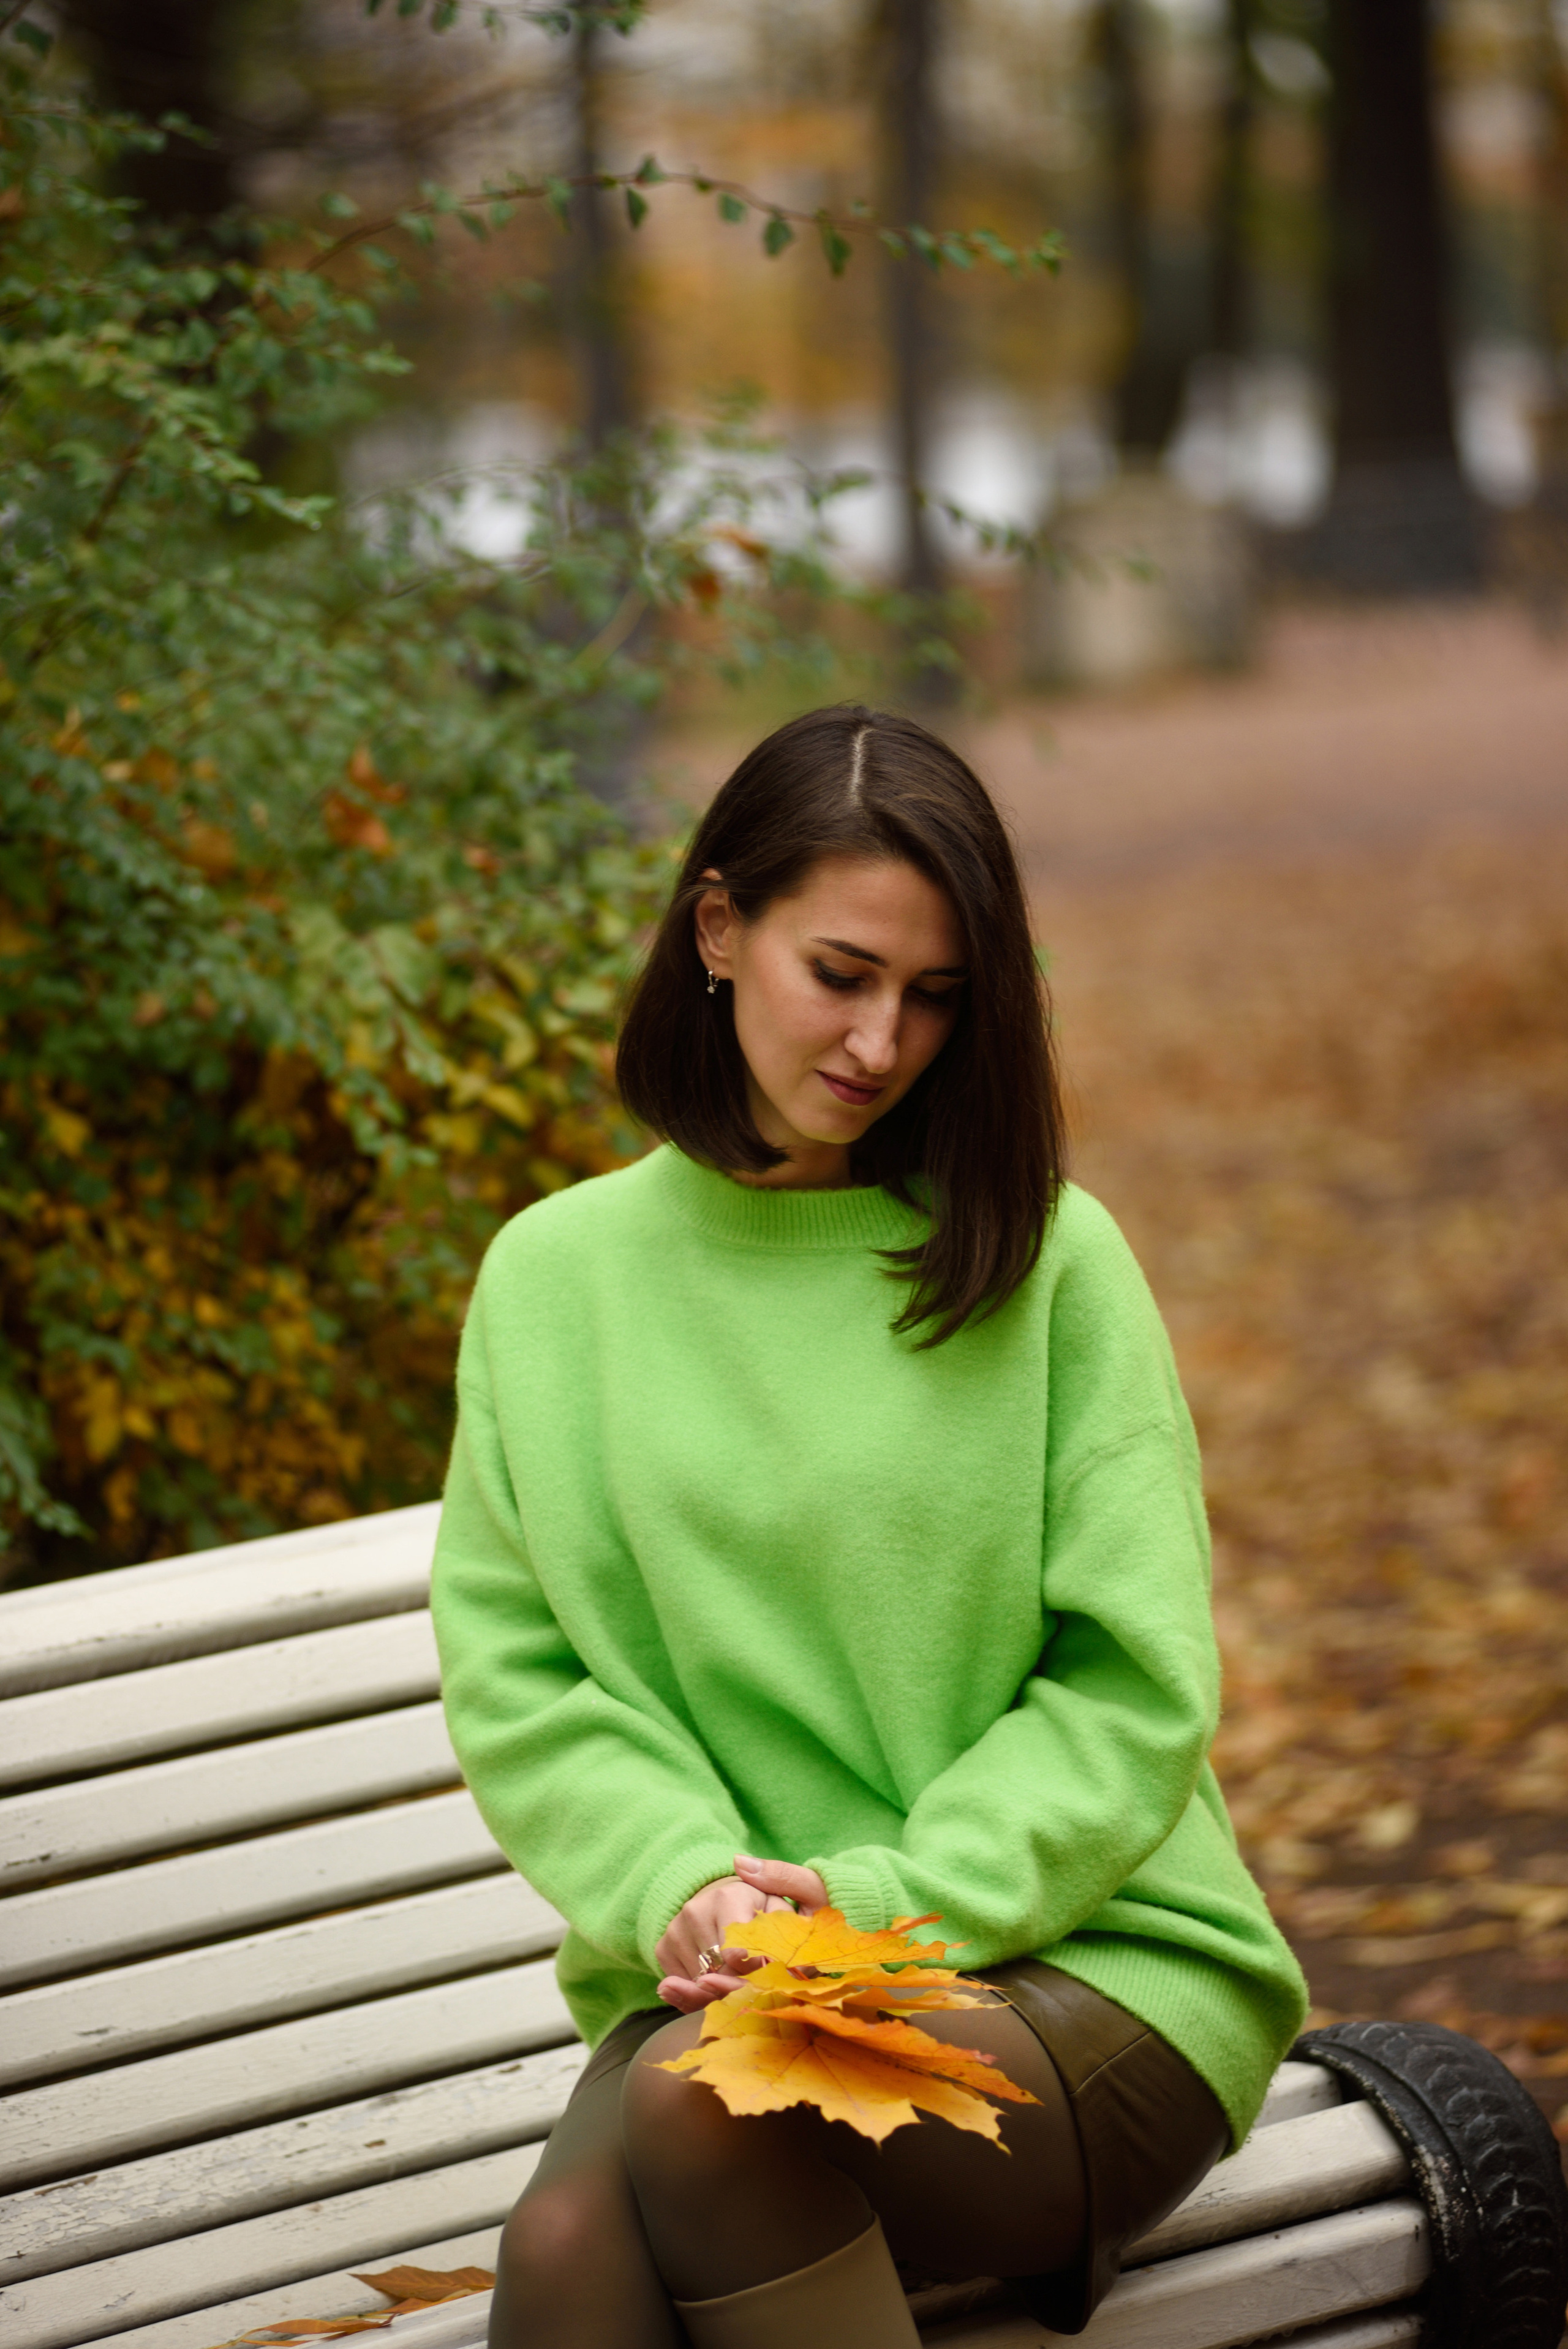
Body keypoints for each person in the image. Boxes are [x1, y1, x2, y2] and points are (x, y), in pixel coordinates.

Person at [431, 705, 1308, 2349]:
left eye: (934, 996)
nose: (883, 1042)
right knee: (560, 2251)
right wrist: (684, 1879)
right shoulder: (555, 1284)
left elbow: (1131, 1691)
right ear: (716, 928)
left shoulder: (1048, 1257)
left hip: (1092, 1967)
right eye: (841, 973)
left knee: (722, 2110)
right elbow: (529, 1680)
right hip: (728, 1991)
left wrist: (870, 1904)